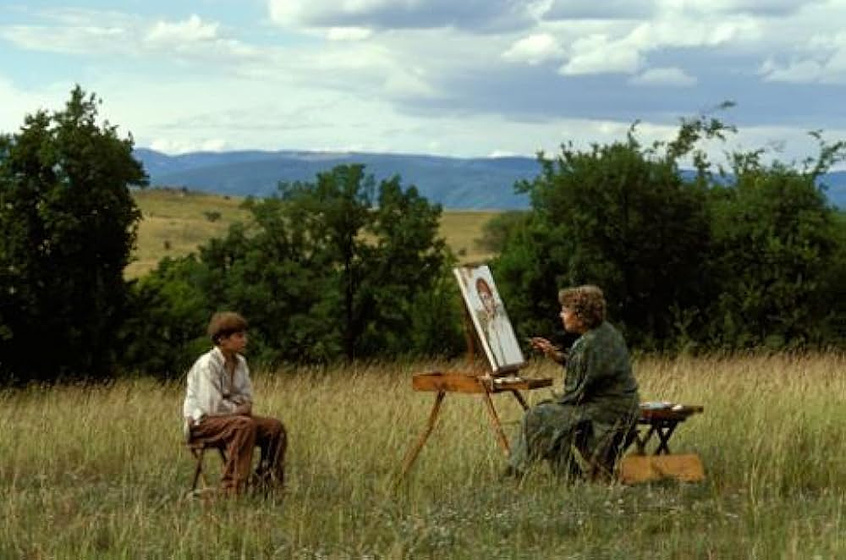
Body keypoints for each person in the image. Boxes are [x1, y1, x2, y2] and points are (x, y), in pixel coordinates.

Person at [505, 285, 639, 480]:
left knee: (536, 417)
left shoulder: (585, 344)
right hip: (625, 409)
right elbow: (589, 369)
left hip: (606, 413)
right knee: (549, 418)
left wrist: (550, 404)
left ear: (579, 315)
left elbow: (574, 394)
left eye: (565, 310)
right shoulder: (608, 333)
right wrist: (555, 355)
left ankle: (518, 473)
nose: (561, 315)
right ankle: (569, 477)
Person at [183, 311, 287, 495]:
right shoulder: (207, 364)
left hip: (231, 420)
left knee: (275, 428)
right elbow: (212, 407)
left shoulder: (240, 363)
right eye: (239, 336)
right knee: (243, 425)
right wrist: (238, 409)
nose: (244, 340)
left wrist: (237, 408)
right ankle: (232, 489)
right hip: (202, 424)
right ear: (222, 340)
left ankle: (265, 483)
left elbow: (247, 398)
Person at [475, 277, 524, 371]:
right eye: (480, 286)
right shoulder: (482, 298)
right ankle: (501, 367)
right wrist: (489, 314)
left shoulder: (493, 297)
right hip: (492, 322)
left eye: (483, 285)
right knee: (496, 347)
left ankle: (509, 366)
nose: (482, 287)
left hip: (499, 322)